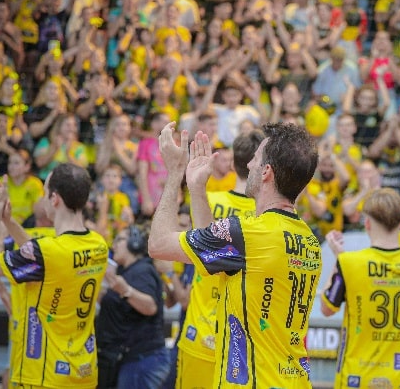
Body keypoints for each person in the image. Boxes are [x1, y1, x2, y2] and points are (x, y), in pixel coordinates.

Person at [147, 121, 320, 388]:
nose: (248, 165)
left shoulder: (247, 233)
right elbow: (214, 257)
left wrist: (175, 174)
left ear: (266, 173)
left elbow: (158, 244)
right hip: (293, 379)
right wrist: (195, 187)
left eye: (255, 159)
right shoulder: (308, 239)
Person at [0, 163, 109, 388]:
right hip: (82, 371)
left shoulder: (47, 252)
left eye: (45, 193)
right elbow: (42, 258)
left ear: (55, 199)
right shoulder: (99, 244)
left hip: (44, 374)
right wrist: (9, 222)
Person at [174, 129, 264, 389]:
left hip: (200, 332)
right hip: (243, 342)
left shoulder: (206, 200)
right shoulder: (264, 216)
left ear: (233, 162)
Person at [321, 188, 400, 389]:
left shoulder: (349, 262)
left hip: (356, 378)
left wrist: (339, 258)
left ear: (367, 223)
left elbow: (327, 309)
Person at [96, 225, 170, 389]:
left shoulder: (142, 270)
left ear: (134, 243)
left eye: (119, 240)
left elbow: (150, 307)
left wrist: (125, 290)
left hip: (142, 360)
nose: (114, 245)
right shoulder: (125, 271)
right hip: (128, 359)